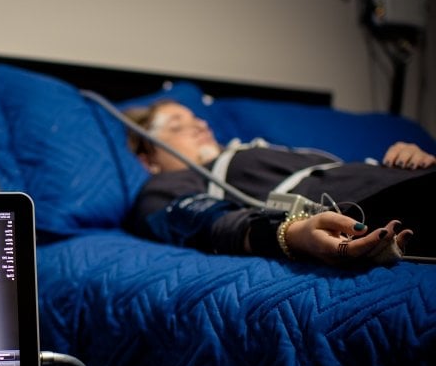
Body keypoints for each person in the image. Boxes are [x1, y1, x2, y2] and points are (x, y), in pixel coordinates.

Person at [123, 100, 436, 267]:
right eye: (177, 126)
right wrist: (290, 233)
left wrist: (403, 163)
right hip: (378, 205)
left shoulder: (245, 151)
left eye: (197, 119)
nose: (199, 126)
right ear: (147, 158)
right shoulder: (167, 185)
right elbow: (204, 220)